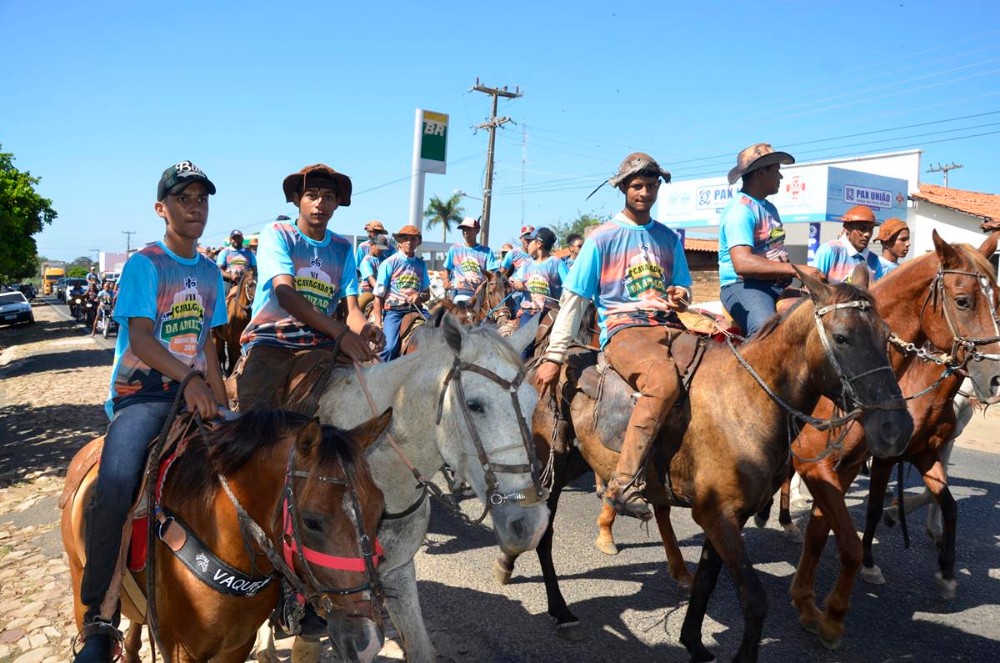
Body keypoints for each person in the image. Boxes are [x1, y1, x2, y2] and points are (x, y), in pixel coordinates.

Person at [73, 161, 227, 662]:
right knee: (116, 485)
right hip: (143, 396)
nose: (194, 207)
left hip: (195, 391)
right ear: (161, 209)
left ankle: (284, 589)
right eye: (183, 198)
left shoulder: (209, 272)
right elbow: (141, 336)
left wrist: (222, 405)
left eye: (201, 198)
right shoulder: (146, 264)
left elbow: (207, 344)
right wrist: (190, 382)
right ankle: (100, 616)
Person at [535, 153, 691, 521]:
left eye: (651, 186)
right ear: (623, 188)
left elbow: (682, 284)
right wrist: (555, 356)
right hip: (625, 331)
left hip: (669, 325)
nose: (645, 192)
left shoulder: (668, 238)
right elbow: (574, 300)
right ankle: (624, 481)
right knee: (663, 381)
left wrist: (682, 294)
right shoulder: (602, 238)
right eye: (637, 185)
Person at [232, 164, 382, 412]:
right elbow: (285, 294)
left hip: (321, 341)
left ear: (336, 204)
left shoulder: (342, 248)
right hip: (273, 339)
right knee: (255, 423)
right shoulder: (278, 233)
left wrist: (365, 328)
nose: (320, 203)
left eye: (329, 197)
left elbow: (352, 310)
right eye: (312, 195)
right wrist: (341, 333)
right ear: (296, 199)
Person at [718, 142, 825, 337]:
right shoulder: (740, 210)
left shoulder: (768, 208)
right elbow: (742, 263)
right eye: (776, 170)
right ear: (760, 173)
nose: (781, 176)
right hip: (744, 285)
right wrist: (798, 270)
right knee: (766, 332)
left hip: (775, 286)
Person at [372, 225, 431, 361]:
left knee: (440, 334)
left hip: (417, 310)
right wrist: (378, 322)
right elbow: (378, 296)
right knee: (389, 347)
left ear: (418, 242)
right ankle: (381, 373)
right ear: (400, 241)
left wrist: (419, 296)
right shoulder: (389, 263)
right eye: (405, 238)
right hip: (395, 312)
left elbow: (427, 294)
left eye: (413, 239)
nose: (409, 242)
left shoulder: (421, 265)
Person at [813, 205, 886, 284]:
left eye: (870, 229)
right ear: (847, 228)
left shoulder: (874, 259)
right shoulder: (829, 250)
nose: (867, 234)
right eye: (862, 229)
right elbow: (814, 286)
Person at [516, 226, 567, 322]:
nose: (527, 244)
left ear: (539, 243)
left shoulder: (557, 263)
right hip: (528, 312)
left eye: (530, 241)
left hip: (551, 312)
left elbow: (569, 286)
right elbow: (515, 280)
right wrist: (518, 283)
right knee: (521, 335)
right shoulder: (527, 264)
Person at [443, 217, 500, 303]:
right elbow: (447, 270)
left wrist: (482, 286)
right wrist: (446, 280)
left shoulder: (486, 251)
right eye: (463, 229)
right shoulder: (454, 249)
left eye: (469, 229)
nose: (465, 231)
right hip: (460, 294)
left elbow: (491, 275)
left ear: (477, 230)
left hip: (482, 295)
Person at [357, 236, 390, 312]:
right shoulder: (366, 262)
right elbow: (371, 280)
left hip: (385, 292)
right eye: (379, 248)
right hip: (369, 292)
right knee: (357, 309)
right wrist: (382, 293)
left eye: (383, 249)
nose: (381, 251)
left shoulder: (385, 260)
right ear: (372, 245)